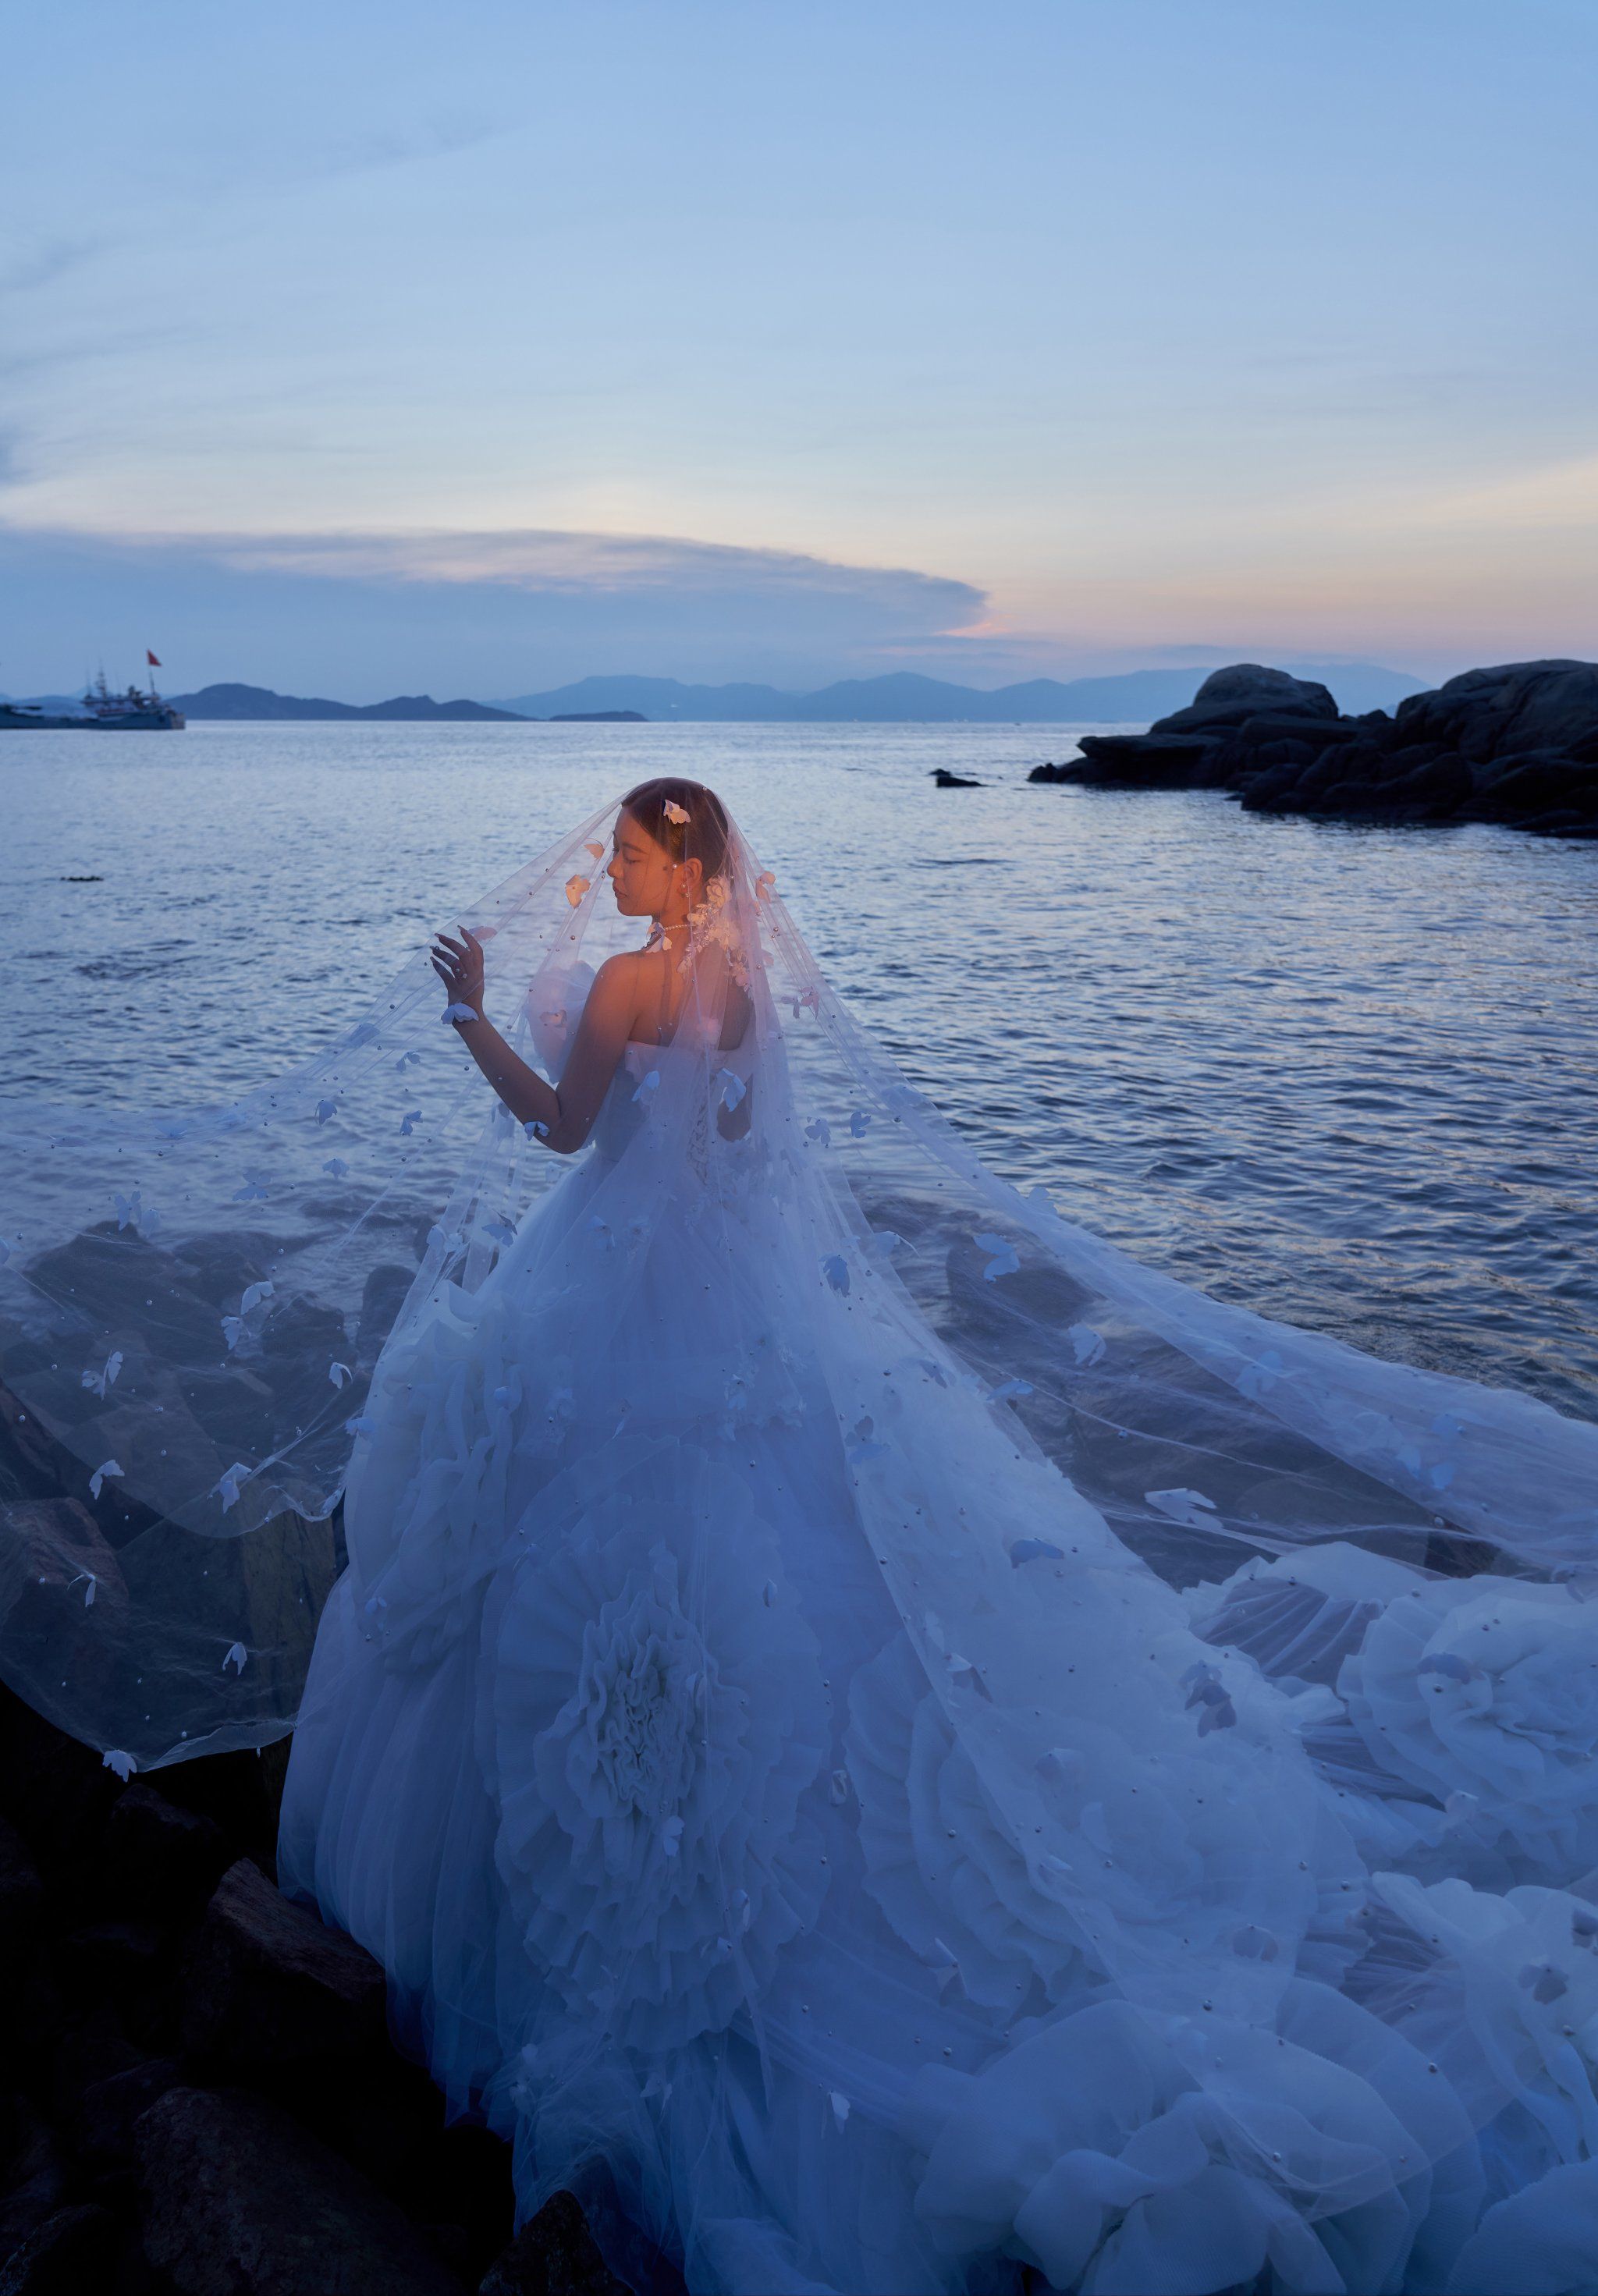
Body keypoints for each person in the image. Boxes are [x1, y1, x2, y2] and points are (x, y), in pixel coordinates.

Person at [5, 778, 1598, 2294]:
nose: (611, 872)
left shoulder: (636, 985)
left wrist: (469, 1008)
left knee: (577, 1577)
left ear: (682, 864)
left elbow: (564, 1137)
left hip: (608, 1298)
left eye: (629, 854)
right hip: (717, 1310)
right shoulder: (743, 995)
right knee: (768, 1564)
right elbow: (732, 1158)